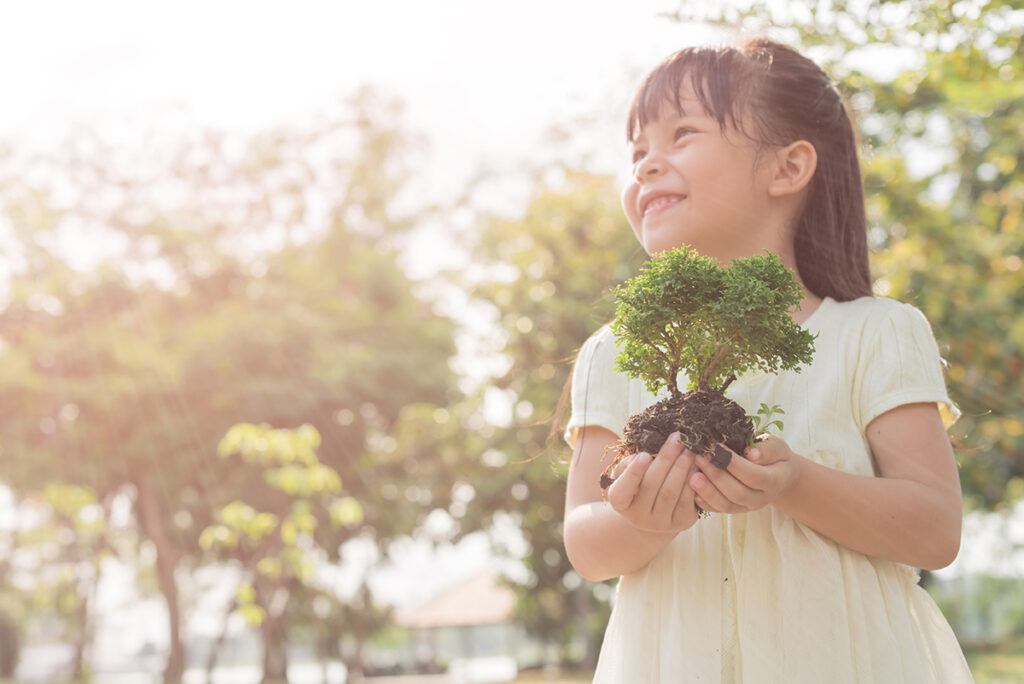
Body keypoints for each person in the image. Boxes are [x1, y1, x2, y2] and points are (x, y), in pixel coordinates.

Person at [562, 38, 974, 683]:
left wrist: (797, 484)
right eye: (637, 151)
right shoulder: (614, 353)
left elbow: (935, 530)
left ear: (787, 169)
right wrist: (638, 522)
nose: (645, 167)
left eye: (683, 134)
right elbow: (585, 544)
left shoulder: (876, 333)